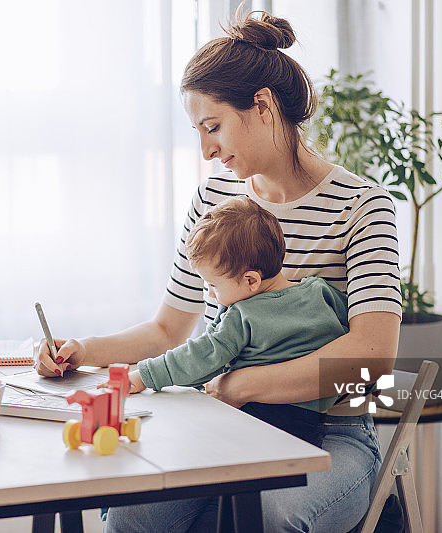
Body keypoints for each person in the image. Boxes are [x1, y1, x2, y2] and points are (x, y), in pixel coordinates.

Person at [36, 9, 401, 533]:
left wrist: (245, 384)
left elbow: (372, 357)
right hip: (223, 423)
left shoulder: (363, 205)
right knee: (132, 519)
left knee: (266, 517)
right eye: (198, 131)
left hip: (331, 432)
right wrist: (82, 351)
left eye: (214, 127)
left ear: (264, 106)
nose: (206, 148)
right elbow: (168, 330)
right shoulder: (214, 199)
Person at [126, 195, 349, 448]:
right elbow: (351, 333)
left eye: (213, 285)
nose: (210, 294)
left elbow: (202, 357)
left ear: (251, 280)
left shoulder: (242, 314)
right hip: (311, 424)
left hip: (259, 415)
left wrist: (145, 375)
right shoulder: (319, 291)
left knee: (182, 443)